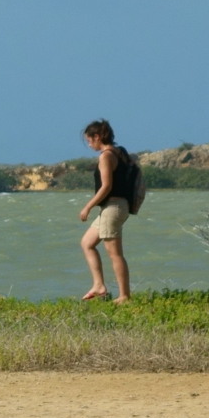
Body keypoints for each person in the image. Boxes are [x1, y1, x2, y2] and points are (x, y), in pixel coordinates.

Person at [76, 119, 136, 303]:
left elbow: (106, 186)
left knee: (115, 253)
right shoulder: (119, 152)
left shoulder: (106, 156)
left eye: (89, 140)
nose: (89, 144)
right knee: (87, 243)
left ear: (98, 137)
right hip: (113, 207)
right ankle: (99, 285)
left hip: (114, 208)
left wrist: (88, 206)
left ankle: (124, 296)